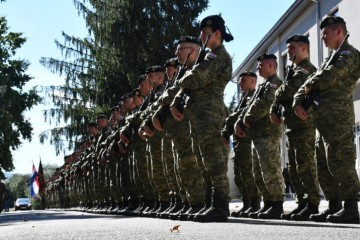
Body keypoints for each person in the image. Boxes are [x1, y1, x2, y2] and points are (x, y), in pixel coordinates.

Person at [293, 16, 360, 224]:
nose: (321, 37)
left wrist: (307, 86)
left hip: (338, 120)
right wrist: (298, 98)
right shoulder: (330, 57)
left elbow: (329, 76)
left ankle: (351, 208)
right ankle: (334, 206)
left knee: (341, 164)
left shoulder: (349, 54)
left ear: (338, 32)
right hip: (322, 121)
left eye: (325, 33)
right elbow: (312, 82)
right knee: (324, 166)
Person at [170, 14, 234, 222]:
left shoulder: (217, 55)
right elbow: (192, 81)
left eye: (205, 34)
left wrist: (183, 80)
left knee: (214, 162)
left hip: (211, 115)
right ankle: (209, 204)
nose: (202, 37)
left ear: (217, 34)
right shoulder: (207, 57)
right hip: (199, 116)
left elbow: (197, 77)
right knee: (202, 161)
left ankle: (220, 206)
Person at [270, 34, 320, 221]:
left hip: (304, 124)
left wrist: (280, 92)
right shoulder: (294, 71)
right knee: (294, 168)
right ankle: (302, 203)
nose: (288, 51)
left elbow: (289, 89)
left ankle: (312, 204)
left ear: (304, 49)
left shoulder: (307, 70)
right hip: (292, 125)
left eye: (292, 47)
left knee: (305, 165)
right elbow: (283, 91)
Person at [235, 53, 284, 220]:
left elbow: (262, 106)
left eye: (260, 65)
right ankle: (269, 203)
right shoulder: (265, 85)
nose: (258, 68)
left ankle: (277, 205)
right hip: (257, 135)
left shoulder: (275, 84)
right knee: (259, 172)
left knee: (270, 170)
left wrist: (245, 121)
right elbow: (251, 107)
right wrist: (242, 121)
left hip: (268, 134)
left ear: (270, 66)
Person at [221, 71, 261, 218]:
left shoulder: (253, 97)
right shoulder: (243, 98)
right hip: (240, 143)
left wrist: (229, 120)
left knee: (248, 174)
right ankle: (247, 204)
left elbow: (241, 115)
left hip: (247, 141)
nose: (240, 83)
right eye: (239, 81)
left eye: (243, 81)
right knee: (240, 175)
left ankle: (254, 204)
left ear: (252, 82)